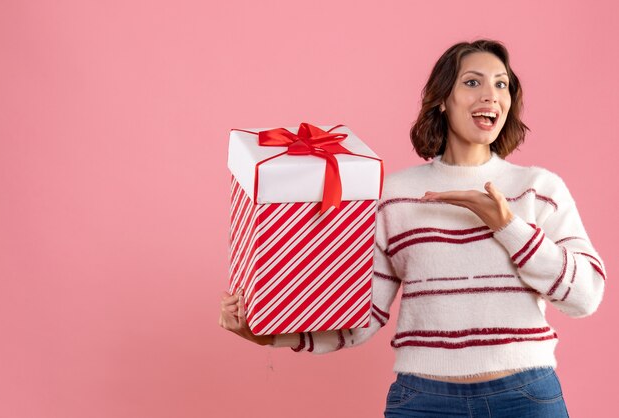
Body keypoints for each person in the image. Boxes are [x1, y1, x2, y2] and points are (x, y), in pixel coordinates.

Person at [219, 39, 606, 417]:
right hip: (425, 399)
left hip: (524, 397)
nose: (491, 94)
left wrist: (508, 226)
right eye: (473, 82)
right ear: (442, 99)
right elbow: (361, 318)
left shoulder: (540, 188)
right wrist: (265, 332)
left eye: (501, 84)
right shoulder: (395, 195)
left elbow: (585, 295)